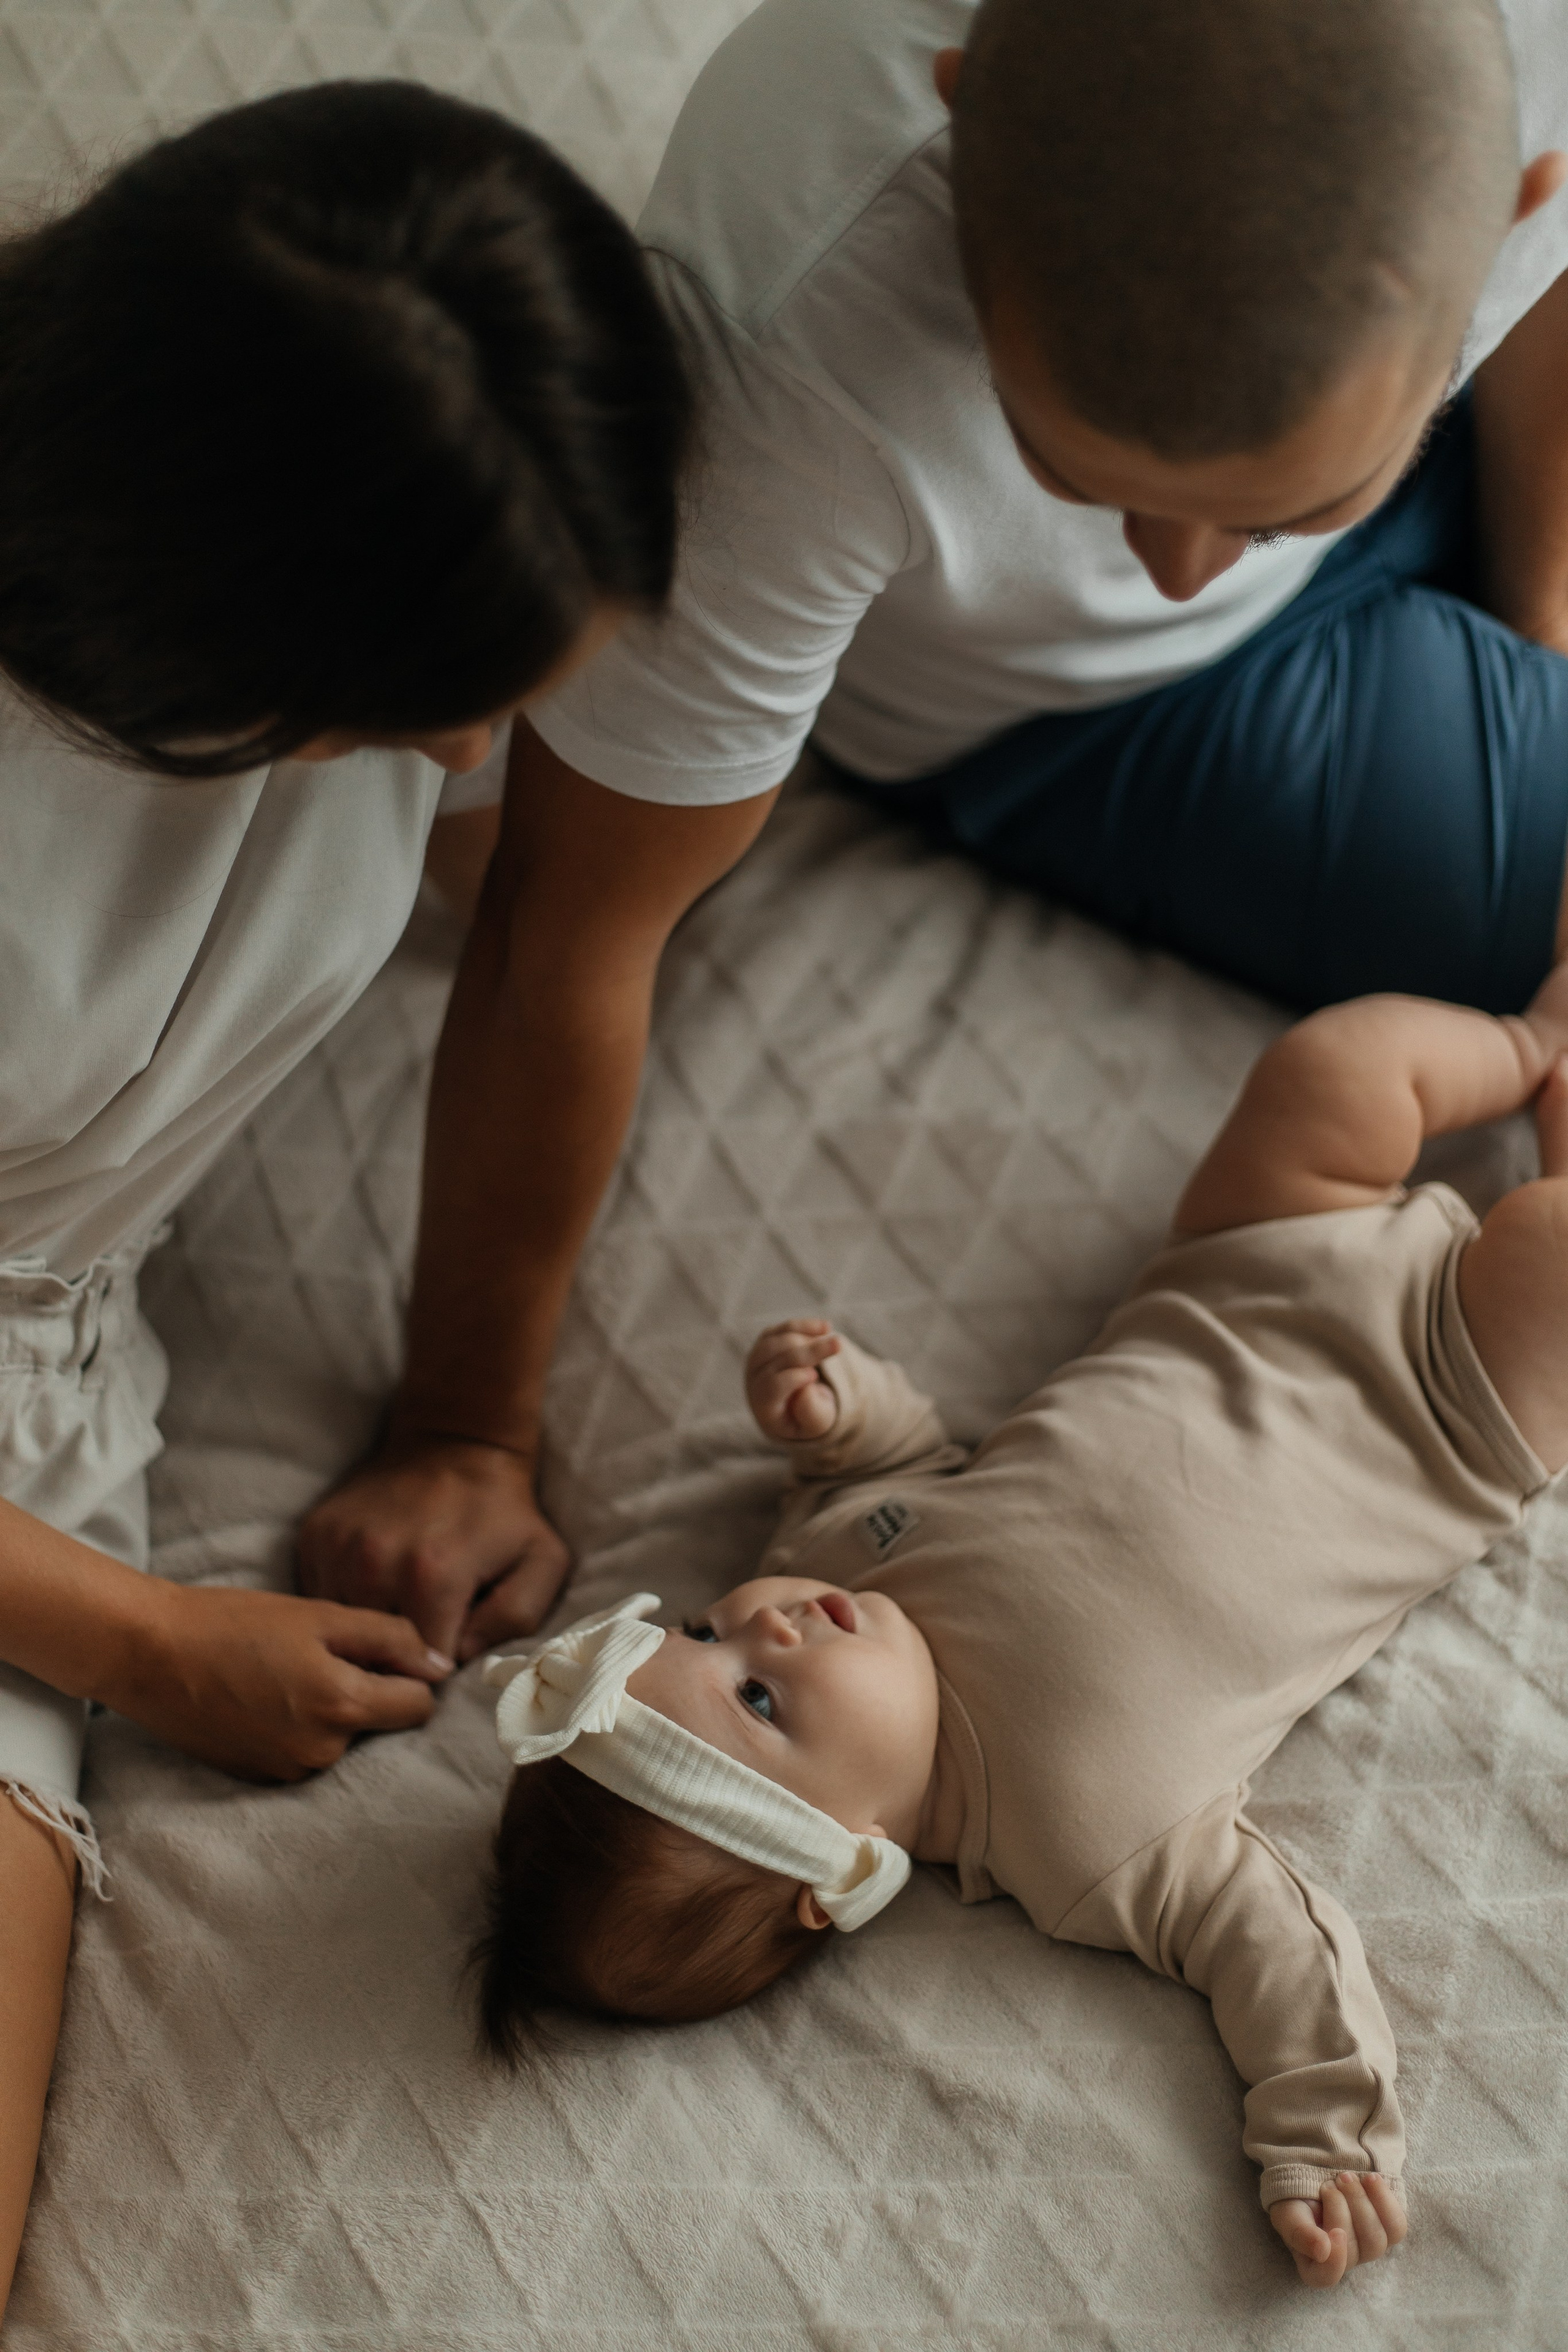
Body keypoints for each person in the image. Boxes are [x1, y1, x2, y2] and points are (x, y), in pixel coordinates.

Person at [300, 0, 1568, 1699]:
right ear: (959, 126)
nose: (1175, 561)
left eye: (1261, 509)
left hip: (1452, 413)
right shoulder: (796, 329)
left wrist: (1544, 648)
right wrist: (462, 1426)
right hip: (1093, 715)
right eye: (1084, 474)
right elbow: (570, 925)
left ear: (1513, 194)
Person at [0, 78, 690, 2316]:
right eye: (418, 726)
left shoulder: (386, 589)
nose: (467, 771)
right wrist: (145, 1641)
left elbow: (551, 915)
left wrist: (473, 1419)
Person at [472, 962, 1568, 2289]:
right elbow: (1267, 1944)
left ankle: (1528, 1043)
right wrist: (1320, 2128)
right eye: (758, 1703)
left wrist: (833, 1408)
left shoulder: (834, 1560)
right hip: (1442, 1410)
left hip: (1241, 1267)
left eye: (703, 1629)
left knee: (1325, 1074)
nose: (765, 1628)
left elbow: (893, 1464)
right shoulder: (1083, 1833)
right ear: (844, 1869)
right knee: (1545, 1253)